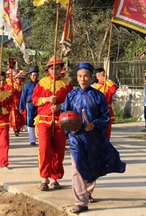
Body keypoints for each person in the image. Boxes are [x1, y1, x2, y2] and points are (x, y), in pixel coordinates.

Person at [61, 62, 126, 214]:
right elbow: (64, 114)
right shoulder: (71, 95)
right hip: (76, 137)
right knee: (77, 168)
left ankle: (87, 191)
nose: (82, 79)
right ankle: (80, 202)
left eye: (85, 76)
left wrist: (95, 124)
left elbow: (105, 116)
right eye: (79, 76)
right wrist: (69, 127)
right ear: (76, 78)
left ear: (91, 78)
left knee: (92, 166)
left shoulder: (98, 96)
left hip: (93, 138)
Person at [32, 57, 73, 191]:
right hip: (44, 120)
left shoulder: (67, 84)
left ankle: (55, 178)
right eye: (51, 68)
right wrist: (47, 99)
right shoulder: (42, 83)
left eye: (57, 68)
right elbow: (35, 100)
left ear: (61, 69)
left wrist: (61, 105)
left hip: (60, 121)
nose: (54, 71)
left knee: (59, 151)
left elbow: (72, 102)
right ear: (48, 70)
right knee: (44, 149)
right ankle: (44, 178)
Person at [93, 68, 118, 140]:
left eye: (105, 74)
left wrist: (106, 81)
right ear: (97, 76)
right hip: (98, 111)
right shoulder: (94, 87)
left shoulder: (108, 85)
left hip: (107, 110)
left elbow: (114, 89)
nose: (104, 76)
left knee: (107, 131)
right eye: (102, 75)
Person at [19, 67, 39, 146]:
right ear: (30, 76)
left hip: (39, 105)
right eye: (33, 75)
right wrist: (21, 107)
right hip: (30, 105)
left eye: (36, 75)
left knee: (39, 121)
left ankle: (40, 138)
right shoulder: (26, 85)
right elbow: (23, 96)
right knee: (30, 121)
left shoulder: (40, 84)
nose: (35, 77)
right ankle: (32, 140)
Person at [6, 71, 26, 136]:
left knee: (20, 116)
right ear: (16, 79)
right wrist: (10, 92)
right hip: (13, 103)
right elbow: (6, 92)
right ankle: (15, 129)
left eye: (21, 78)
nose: (19, 80)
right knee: (14, 116)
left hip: (21, 102)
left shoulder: (23, 86)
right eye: (18, 78)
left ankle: (18, 128)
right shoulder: (12, 85)